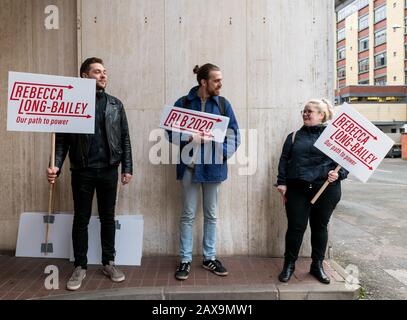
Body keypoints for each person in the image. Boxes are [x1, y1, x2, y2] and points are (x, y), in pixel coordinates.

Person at [46, 57, 133, 291]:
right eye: (97, 72)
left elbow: (124, 137)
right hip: (82, 171)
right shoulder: (70, 104)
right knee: (81, 219)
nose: (103, 75)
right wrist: (56, 165)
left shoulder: (116, 104)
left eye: (105, 71)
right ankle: (80, 266)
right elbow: (61, 141)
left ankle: (109, 262)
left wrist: (127, 167)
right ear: (84, 76)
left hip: (108, 170)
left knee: (108, 217)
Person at [166, 64, 240, 280]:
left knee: (211, 215)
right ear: (203, 82)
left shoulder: (224, 105)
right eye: (216, 80)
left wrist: (222, 151)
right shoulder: (183, 103)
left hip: (214, 167)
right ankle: (185, 260)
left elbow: (234, 135)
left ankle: (209, 258)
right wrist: (189, 137)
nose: (221, 84)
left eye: (221, 79)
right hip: (189, 167)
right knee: (187, 215)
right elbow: (170, 133)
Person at [276, 98, 348, 284]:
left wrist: (338, 175)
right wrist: (281, 183)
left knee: (320, 227)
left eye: (310, 111)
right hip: (297, 189)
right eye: (304, 111)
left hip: (326, 189)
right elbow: (284, 160)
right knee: (295, 227)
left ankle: (317, 266)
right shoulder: (293, 136)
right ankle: (289, 265)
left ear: (321, 115)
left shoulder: (334, 137)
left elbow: (346, 163)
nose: (305, 114)